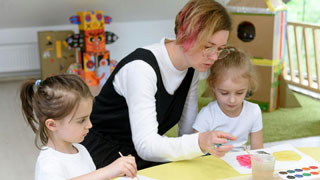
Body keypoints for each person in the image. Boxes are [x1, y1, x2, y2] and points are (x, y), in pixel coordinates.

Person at [82, 0, 237, 170]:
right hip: (103, 153)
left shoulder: (192, 68)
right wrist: (199, 142)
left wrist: (202, 145)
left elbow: (186, 132)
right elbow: (147, 146)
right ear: (184, 35)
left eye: (220, 49)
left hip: (138, 153)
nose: (214, 57)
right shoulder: (141, 69)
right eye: (208, 47)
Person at [20, 74, 138, 180]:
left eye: (88, 117)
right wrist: (108, 171)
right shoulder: (48, 162)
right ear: (52, 125)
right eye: (81, 120)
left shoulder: (81, 150)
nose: (90, 125)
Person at [193, 47, 263, 152]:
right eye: (224, 93)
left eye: (239, 93)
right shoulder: (207, 114)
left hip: (240, 163)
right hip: (213, 162)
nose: (232, 100)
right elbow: (195, 148)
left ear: (248, 86)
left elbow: (257, 150)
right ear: (213, 85)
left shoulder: (254, 111)